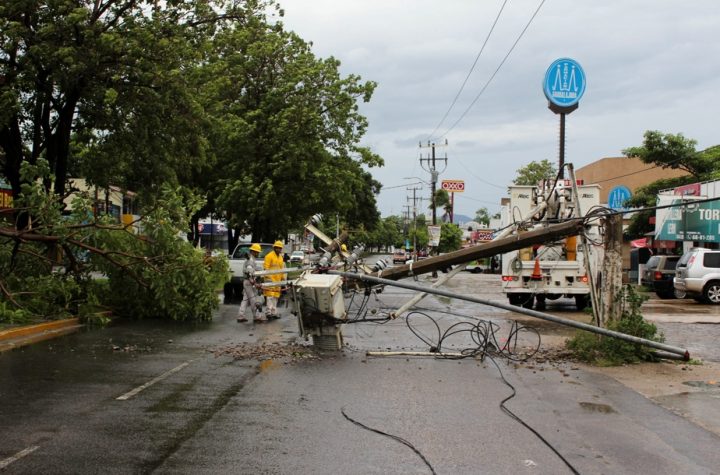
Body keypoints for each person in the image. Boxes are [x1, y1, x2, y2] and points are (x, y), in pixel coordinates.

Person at [237, 243, 265, 323]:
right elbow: (249, 272)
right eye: (257, 252)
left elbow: (253, 269)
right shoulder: (250, 260)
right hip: (248, 282)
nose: (258, 253)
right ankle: (256, 316)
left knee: (245, 299)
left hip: (246, 282)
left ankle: (241, 315)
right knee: (253, 299)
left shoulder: (250, 259)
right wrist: (253, 281)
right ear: (254, 252)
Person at [263, 240, 286, 320]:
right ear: (274, 248)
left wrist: (283, 279)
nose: (279, 249)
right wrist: (269, 278)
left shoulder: (280, 257)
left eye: (280, 248)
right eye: (277, 248)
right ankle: (268, 312)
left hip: (278, 280)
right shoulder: (269, 256)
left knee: (276, 296)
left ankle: (274, 312)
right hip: (270, 280)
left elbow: (281, 269)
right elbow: (266, 268)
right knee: (270, 296)